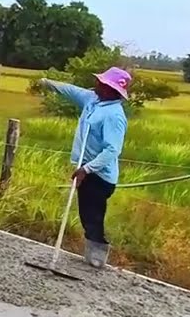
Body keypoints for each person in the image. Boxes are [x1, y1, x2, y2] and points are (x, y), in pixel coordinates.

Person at [38, 67, 132, 269]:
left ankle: (97, 258)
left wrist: (86, 170)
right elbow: (72, 91)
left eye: (102, 83)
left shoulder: (114, 116)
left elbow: (112, 150)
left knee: (92, 216)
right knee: (86, 214)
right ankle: (91, 258)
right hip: (86, 169)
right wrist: (49, 84)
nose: (97, 84)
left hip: (99, 175)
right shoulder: (92, 100)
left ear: (110, 89)